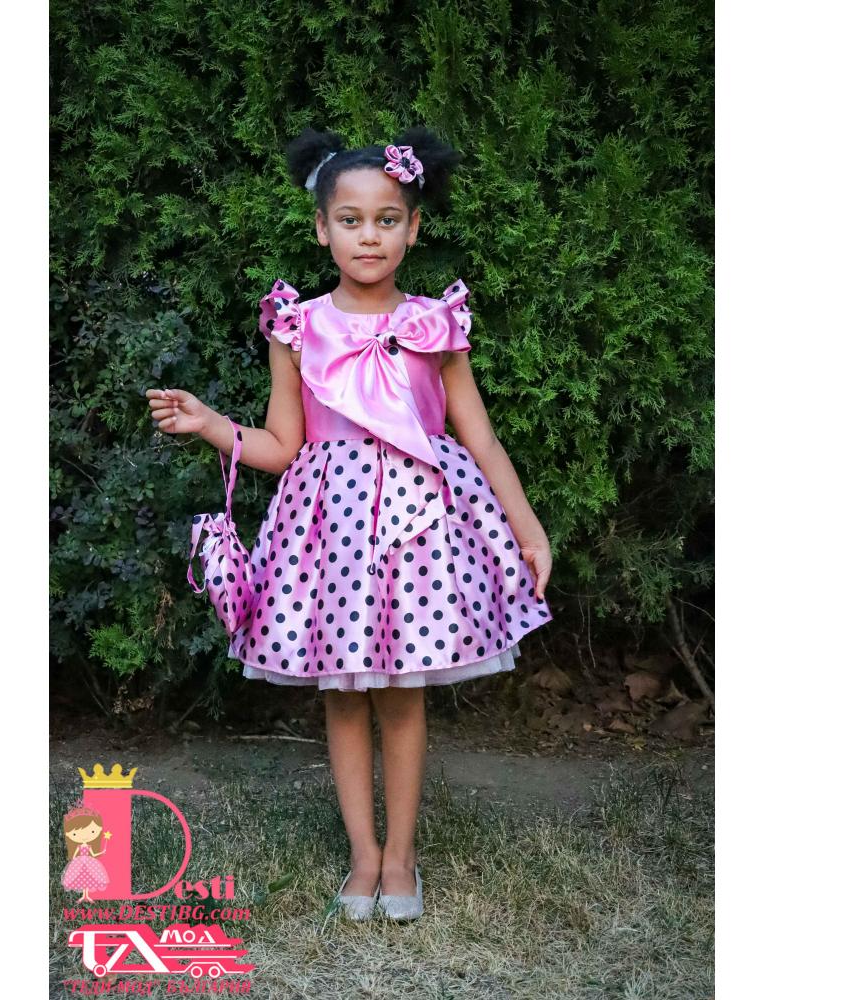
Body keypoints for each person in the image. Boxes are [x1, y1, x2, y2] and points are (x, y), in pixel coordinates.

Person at [146, 125, 554, 921]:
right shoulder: (297, 326)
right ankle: (363, 857)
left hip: (420, 528)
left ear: (414, 228)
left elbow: (479, 437)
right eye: (351, 219)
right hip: (328, 533)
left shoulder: (435, 325)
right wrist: (211, 425)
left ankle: (401, 859)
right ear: (321, 228)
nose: (369, 235)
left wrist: (528, 528)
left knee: (401, 694)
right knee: (342, 692)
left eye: (387, 219)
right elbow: (281, 445)